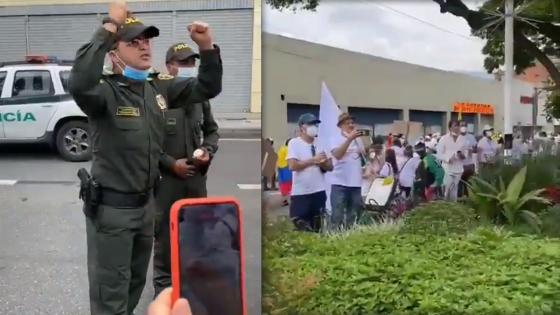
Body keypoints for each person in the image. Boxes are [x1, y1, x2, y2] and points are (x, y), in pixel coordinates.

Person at [68, 1, 222, 313]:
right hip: (112, 212)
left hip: (145, 209)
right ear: (114, 53)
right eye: (133, 42)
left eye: (147, 40)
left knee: (134, 288)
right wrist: (109, 25)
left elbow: (208, 86)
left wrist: (206, 48)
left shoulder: (157, 88)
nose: (144, 47)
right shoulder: (105, 93)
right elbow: (79, 82)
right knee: (110, 298)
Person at [153, 42, 221, 297]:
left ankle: (191, 286)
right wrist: (171, 164)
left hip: (195, 181)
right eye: (183, 63)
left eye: (192, 64)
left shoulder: (199, 99)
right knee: (165, 239)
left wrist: (207, 152)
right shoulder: (156, 96)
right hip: (166, 182)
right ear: (169, 67)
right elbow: (145, 142)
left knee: (196, 234)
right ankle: (164, 290)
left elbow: (212, 131)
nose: (189, 68)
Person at [287, 113, 333, 232]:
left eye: (316, 124)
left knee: (317, 227)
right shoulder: (294, 143)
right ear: (302, 127)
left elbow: (330, 167)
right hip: (301, 193)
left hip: (318, 192)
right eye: (311, 124)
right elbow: (292, 165)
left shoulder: (321, 143)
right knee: (301, 226)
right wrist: (313, 160)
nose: (314, 127)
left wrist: (322, 163)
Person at [330, 112, 365, 229]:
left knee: (354, 215)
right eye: (347, 123)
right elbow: (338, 155)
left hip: (355, 184)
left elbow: (365, 155)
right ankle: (335, 238)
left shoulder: (357, 140)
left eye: (352, 123)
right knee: (337, 215)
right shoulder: (335, 138)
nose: (351, 125)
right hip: (340, 184)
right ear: (340, 126)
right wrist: (349, 139)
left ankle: (350, 236)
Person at [437, 120, 466, 201]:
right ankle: (444, 207)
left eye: (458, 126)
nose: (457, 128)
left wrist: (461, 155)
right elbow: (439, 154)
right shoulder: (444, 139)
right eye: (455, 126)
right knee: (446, 191)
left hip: (458, 169)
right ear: (450, 128)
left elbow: (465, 154)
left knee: (454, 192)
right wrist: (448, 158)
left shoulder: (463, 139)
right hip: (447, 169)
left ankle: (453, 209)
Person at [458, 121, 477, 198]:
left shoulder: (471, 137)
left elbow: (475, 148)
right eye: (462, 125)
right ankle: (459, 200)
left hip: (469, 165)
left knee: (468, 185)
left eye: (465, 125)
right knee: (459, 184)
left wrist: (472, 150)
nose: (463, 127)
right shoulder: (456, 137)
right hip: (459, 165)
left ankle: (468, 199)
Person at [277, 138, 293, 205]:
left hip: (280, 169)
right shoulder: (288, 149)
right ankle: (290, 200)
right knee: (289, 185)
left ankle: (285, 200)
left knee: (283, 185)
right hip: (287, 168)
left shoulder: (282, 148)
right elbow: (290, 159)